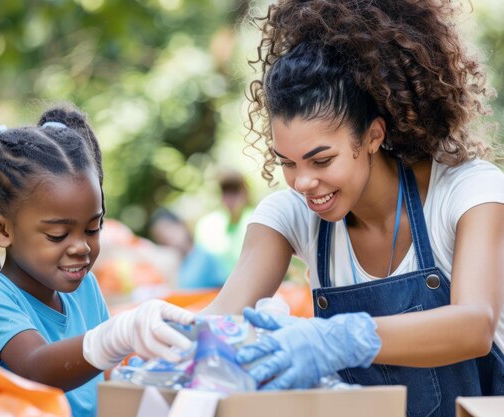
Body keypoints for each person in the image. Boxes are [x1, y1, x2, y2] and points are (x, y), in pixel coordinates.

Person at [203, 1, 504, 416]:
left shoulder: (467, 190)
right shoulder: (290, 216)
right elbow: (220, 319)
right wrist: (165, 338)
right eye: (287, 163)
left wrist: (340, 338)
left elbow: (475, 326)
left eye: (321, 160)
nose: (303, 183)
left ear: (373, 136)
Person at [0, 101, 194, 417]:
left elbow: (104, 385)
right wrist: (116, 335)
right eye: (58, 235)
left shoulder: (85, 288)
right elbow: (36, 368)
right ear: (2, 230)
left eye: (93, 228)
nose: (81, 247)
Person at [148, 208, 227, 289]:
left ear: (180, 225)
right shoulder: (172, 264)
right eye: (161, 237)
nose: (167, 237)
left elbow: (224, 288)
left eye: (168, 228)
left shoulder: (205, 257)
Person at [194, 169, 254, 274]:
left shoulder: (256, 220)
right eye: (225, 191)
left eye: (234, 191)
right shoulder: (207, 225)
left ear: (245, 193)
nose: (230, 198)